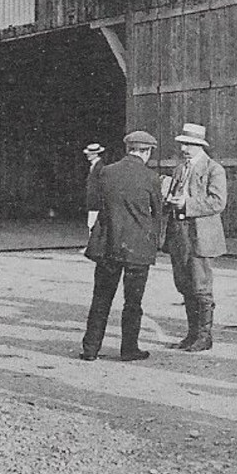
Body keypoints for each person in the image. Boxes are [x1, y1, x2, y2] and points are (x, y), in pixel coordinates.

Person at [80, 131, 166, 362]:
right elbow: (157, 214)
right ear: (146, 151)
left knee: (101, 299)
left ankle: (90, 349)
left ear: (128, 149)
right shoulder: (151, 177)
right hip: (137, 248)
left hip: (108, 245)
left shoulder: (106, 172)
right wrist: (155, 241)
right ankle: (129, 349)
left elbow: (98, 203)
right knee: (133, 302)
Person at [163, 123, 228, 352]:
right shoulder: (180, 169)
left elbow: (218, 202)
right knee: (184, 285)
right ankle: (191, 335)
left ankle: (204, 336)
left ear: (200, 145)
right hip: (179, 234)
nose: (183, 149)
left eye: (188, 144)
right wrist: (169, 199)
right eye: (182, 144)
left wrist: (186, 204)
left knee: (201, 287)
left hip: (201, 236)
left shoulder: (214, 169)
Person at [82, 142, 106, 231]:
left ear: (96, 154)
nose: (88, 155)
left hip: (97, 201)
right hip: (93, 200)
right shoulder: (94, 166)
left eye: (91, 154)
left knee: (93, 224)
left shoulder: (100, 167)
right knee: (92, 224)